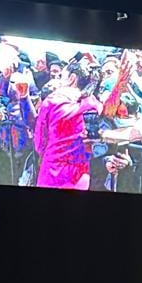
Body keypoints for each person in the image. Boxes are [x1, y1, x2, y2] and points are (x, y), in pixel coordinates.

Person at [33, 60, 103, 190]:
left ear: (71, 78)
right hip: (80, 174)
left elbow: (39, 142)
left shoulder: (52, 100)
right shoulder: (94, 104)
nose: (58, 80)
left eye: (61, 76)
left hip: (52, 171)